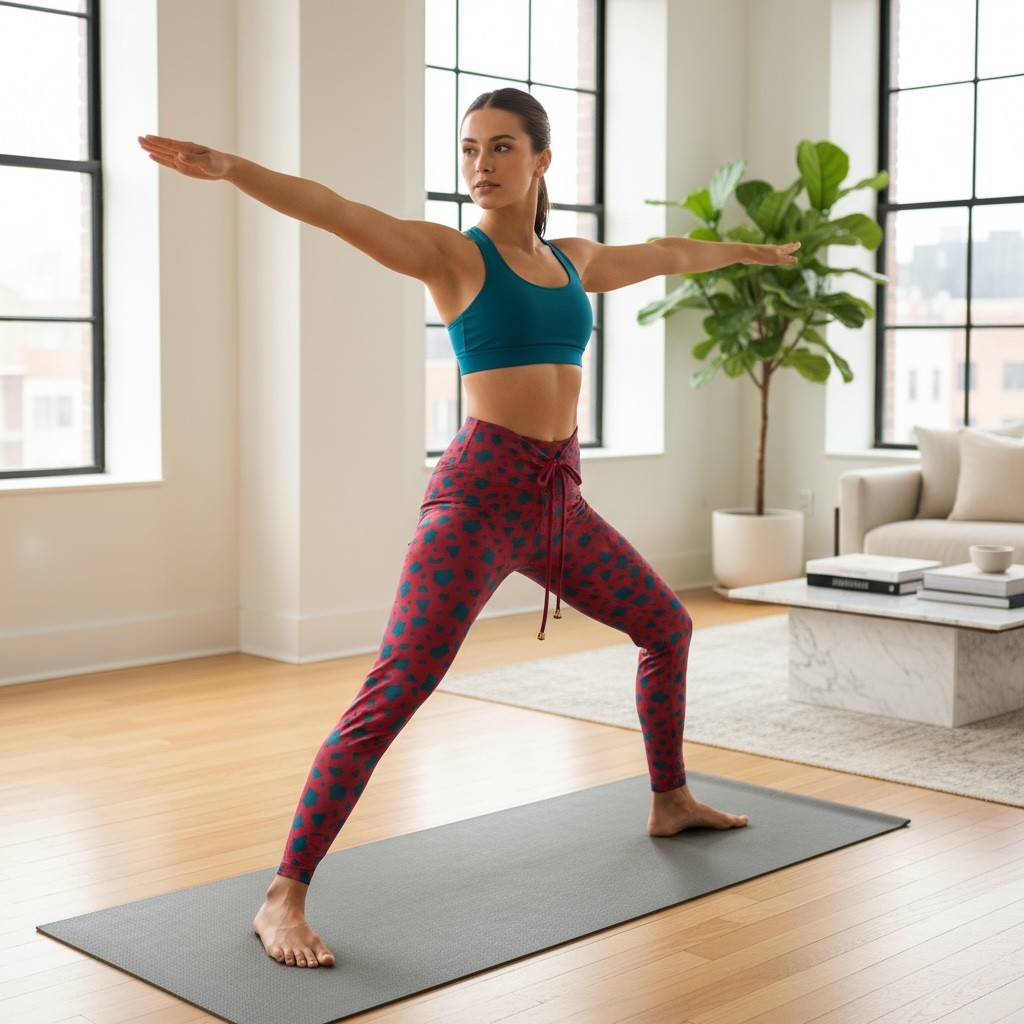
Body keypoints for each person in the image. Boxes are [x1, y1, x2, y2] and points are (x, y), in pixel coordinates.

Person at [138, 87, 799, 969]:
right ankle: (282, 894)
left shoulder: (573, 261)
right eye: (469, 150)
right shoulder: (454, 256)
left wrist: (751, 252)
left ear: (541, 161)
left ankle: (669, 798)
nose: (480, 165)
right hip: (477, 503)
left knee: (668, 626)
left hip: (559, 503)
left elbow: (670, 252)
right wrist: (230, 169)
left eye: (500, 148)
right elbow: (334, 210)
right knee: (398, 687)